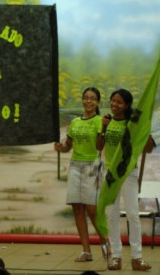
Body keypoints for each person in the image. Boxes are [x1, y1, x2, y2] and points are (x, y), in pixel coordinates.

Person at [96, 89, 152, 271]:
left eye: (119, 102)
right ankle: (116, 257)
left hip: (128, 174)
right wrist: (103, 128)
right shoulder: (107, 120)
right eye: (112, 101)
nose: (114, 105)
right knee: (111, 215)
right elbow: (99, 146)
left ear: (127, 105)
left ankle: (137, 257)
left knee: (132, 214)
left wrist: (145, 130)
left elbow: (149, 148)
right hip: (111, 174)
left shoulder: (132, 124)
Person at [54, 87, 109, 262]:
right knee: (77, 208)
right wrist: (60, 148)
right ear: (82, 100)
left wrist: (103, 130)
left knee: (93, 211)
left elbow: (100, 147)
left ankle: (105, 243)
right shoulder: (75, 122)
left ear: (98, 102)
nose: (89, 101)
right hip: (75, 166)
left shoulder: (100, 121)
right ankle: (86, 251)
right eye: (86, 98)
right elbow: (67, 146)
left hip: (93, 166)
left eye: (93, 98)